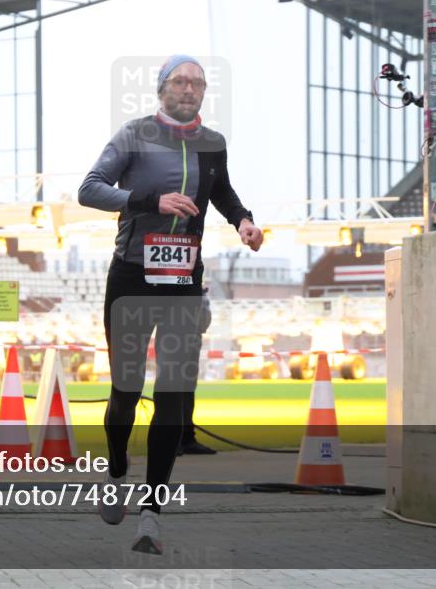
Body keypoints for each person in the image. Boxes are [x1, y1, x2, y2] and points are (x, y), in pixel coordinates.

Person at [78, 54, 262, 554]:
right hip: (132, 276)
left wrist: (243, 220)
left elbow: (221, 191)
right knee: (126, 390)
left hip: (183, 280)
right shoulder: (134, 135)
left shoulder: (213, 143)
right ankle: (117, 470)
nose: (189, 88)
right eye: (179, 81)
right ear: (161, 89)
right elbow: (89, 190)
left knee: (174, 398)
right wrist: (148, 200)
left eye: (197, 83)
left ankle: (151, 515)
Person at [177, 291, 216, 455]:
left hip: (191, 337)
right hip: (178, 335)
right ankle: (176, 440)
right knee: (177, 389)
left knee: (186, 389)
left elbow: (203, 321)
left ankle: (185, 439)